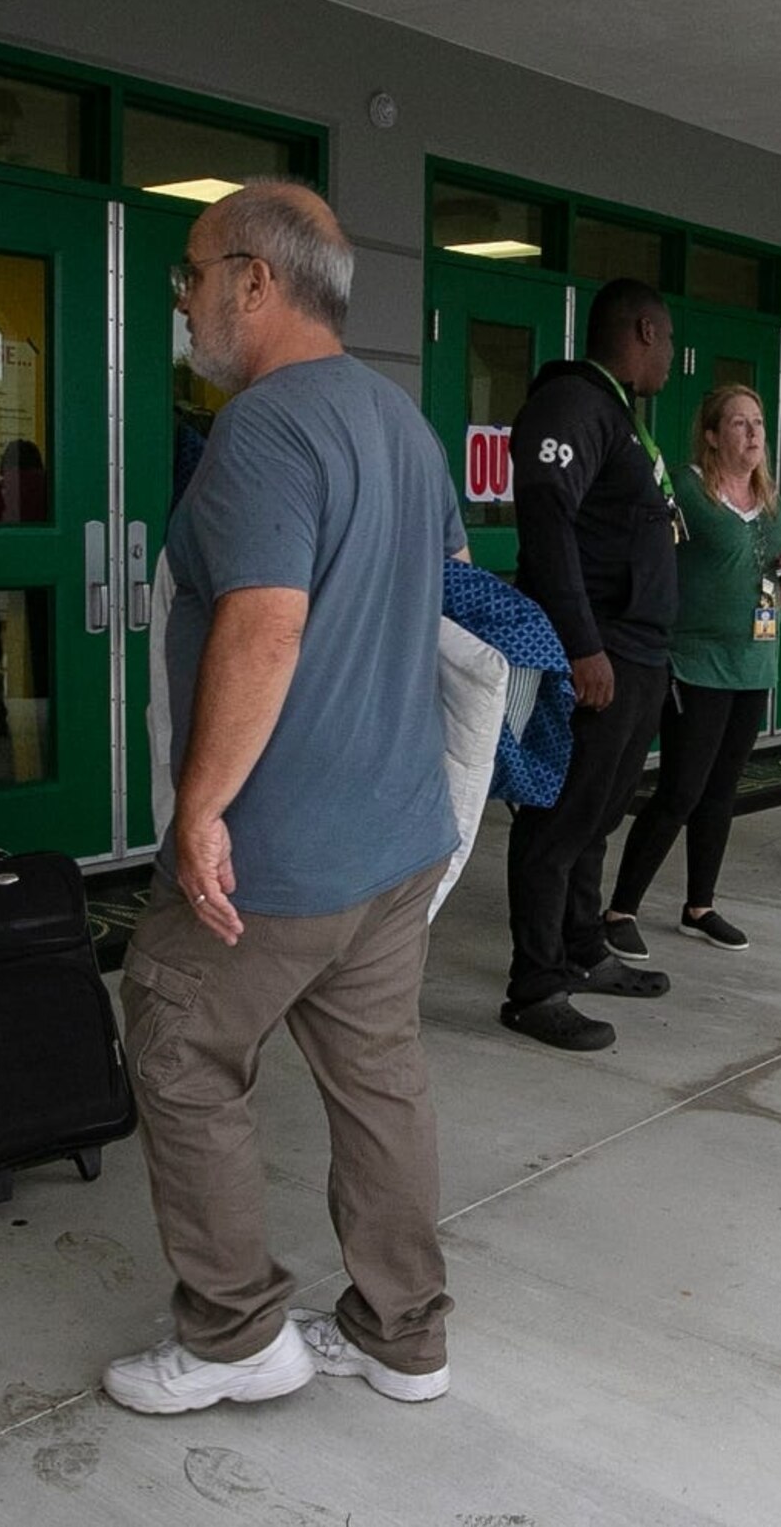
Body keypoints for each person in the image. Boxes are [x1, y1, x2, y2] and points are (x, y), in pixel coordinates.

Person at [100, 183, 462, 1416]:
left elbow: (265, 628)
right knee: (380, 1081)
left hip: (281, 854)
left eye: (191, 275)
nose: (184, 302)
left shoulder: (265, 431)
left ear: (255, 281)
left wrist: (201, 810)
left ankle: (234, 1338)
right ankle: (404, 1333)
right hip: (396, 838)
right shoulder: (400, 423)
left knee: (179, 1045)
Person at [497, 278, 678, 1053]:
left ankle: (582, 947)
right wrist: (581, 645)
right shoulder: (572, 402)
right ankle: (535, 984)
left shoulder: (623, 417)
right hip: (598, 651)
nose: (671, 356)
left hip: (637, 651)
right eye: (668, 340)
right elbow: (546, 517)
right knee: (558, 818)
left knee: (599, 814)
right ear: (644, 330)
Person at [597, 383, 781, 958]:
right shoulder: (689, 491)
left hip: (753, 662)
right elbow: (654, 561)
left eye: (759, 423)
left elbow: (774, 595)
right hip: (695, 662)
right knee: (680, 791)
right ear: (713, 435)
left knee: (721, 793)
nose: (753, 434)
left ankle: (700, 906)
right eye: (739, 424)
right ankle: (619, 909)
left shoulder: (768, 499)